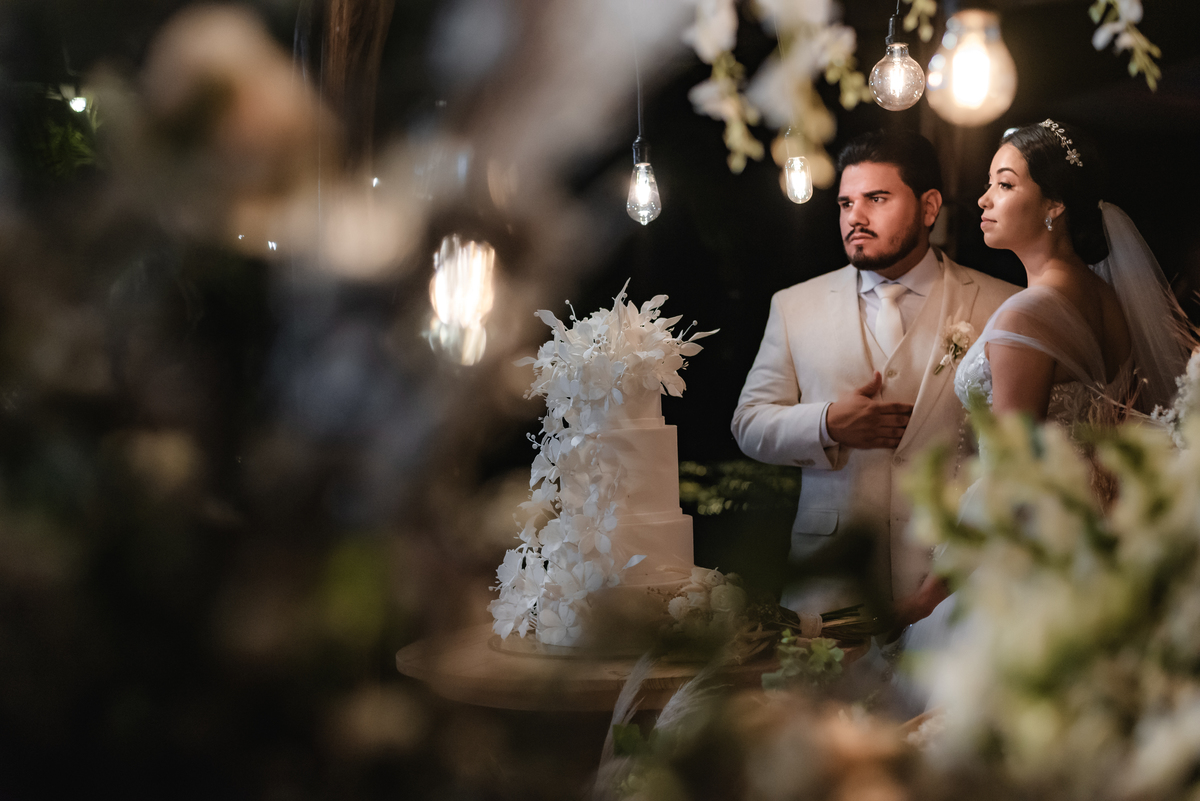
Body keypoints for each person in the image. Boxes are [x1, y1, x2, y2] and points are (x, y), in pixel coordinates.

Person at [904, 119, 1193, 650]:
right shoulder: (1109, 302)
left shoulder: (1026, 315)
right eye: (990, 183)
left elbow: (1011, 472)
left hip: (1029, 549)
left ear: (1054, 205)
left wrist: (931, 593)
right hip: (1094, 539)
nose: (984, 199)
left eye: (1006, 184)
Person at [731, 130, 1019, 622]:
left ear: (929, 207)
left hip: (956, 584)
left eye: (876, 199)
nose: (854, 218)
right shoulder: (794, 305)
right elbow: (749, 424)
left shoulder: (1001, 304)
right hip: (830, 586)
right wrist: (827, 424)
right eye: (845, 203)